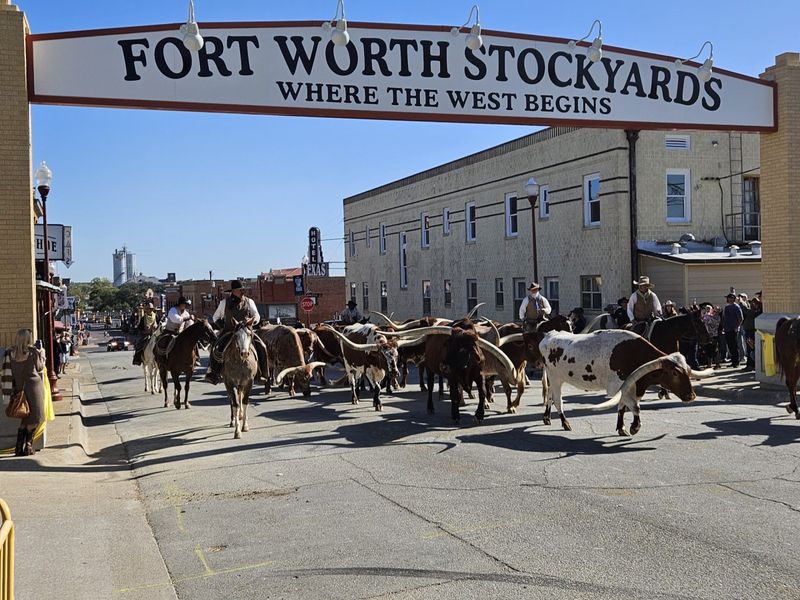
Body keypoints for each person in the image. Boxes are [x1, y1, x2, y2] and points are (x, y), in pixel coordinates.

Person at [204, 280, 267, 385]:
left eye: (242, 290)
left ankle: (262, 374)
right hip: (230, 332)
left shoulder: (249, 302)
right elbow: (216, 317)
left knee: (262, 346)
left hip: (246, 332)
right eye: (240, 290)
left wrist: (252, 321)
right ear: (233, 291)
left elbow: (257, 316)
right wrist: (222, 325)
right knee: (216, 347)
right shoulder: (224, 303)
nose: (242, 292)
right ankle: (213, 373)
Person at [7, 329, 46, 456]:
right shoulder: (33, 352)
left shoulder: (11, 353)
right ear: (28, 339)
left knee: (25, 416)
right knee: (35, 417)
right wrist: (41, 353)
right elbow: (40, 367)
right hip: (34, 388)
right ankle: (28, 446)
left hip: (20, 388)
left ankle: (19, 447)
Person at [132, 302, 159, 366]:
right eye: (149, 309)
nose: (150, 310)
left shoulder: (156, 316)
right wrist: (145, 329)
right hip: (147, 334)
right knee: (139, 345)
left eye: (151, 309)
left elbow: (159, 324)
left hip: (155, 334)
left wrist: (156, 327)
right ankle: (137, 359)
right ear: (146, 310)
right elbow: (139, 328)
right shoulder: (143, 318)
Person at [722, 293, 744, 367]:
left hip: (733, 329)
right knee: (730, 346)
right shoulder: (727, 307)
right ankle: (733, 361)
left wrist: (737, 327)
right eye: (728, 298)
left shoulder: (736, 307)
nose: (729, 299)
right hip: (727, 329)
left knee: (734, 346)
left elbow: (741, 318)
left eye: (731, 298)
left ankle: (737, 362)